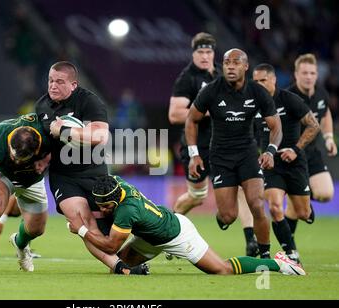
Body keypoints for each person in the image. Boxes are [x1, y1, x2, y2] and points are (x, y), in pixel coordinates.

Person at [35, 61, 148, 275]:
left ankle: (133, 254)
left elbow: (100, 136)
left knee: (109, 233)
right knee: (83, 222)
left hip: (94, 174)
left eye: (60, 81)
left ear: (73, 85)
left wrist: (65, 131)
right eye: (50, 80)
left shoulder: (90, 102)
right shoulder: (42, 106)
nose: (53, 86)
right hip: (63, 177)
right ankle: (119, 267)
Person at [68, 175, 305, 276]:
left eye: (104, 206)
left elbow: (109, 246)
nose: (102, 210)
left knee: (222, 270)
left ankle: (279, 264)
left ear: (114, 200)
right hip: (152, 234)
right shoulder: (116, 183)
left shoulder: (127, 211)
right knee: (117, 269)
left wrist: (81, 229)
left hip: (177, 234)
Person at [185, 48, 283, 259]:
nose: (230, 66)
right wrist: (194, 154)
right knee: (229, 216)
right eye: (227, 62)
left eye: (236, 62)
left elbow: (276, 126)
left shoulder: (257, 92)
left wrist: (270, 151)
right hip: (220, 157)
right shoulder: (211, 90)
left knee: (257, 204)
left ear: (246, 67)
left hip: (247, 154)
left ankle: (265, 255)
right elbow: (191, 120)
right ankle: (222, 217)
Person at [168, 33, 258, 259]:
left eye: (209, 52)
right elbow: (174, 114)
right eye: (201, 52)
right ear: (193, 53)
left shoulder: (221, 72)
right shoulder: (186, 78)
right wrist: (210, 109)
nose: (205, 56)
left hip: (223, 146)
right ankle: (168, 228)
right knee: (196, 196)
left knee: (239, 188)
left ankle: (251, 240)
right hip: (196, 146)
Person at [253, 63, 320, 263]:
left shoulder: (289, 100)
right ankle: (291, 253)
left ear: (273, 80)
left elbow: (313, 125)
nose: (258, 85)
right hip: (271, 164)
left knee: (302, 213)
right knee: (274, 207)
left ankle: (306, 206)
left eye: (262, 80)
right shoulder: (253, 104)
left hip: (294, 162)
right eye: (255, 82)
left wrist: (296, 149)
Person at [0, 113, 51, 273]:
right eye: (13, 156)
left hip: (32, 181)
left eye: (21, 159)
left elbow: (63, 143)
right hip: (3, 174)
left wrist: (46, 159)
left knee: (36, 229)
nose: (16, 161)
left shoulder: (47, 133)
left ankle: (20, 243)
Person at [286, 53, 337, 240]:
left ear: (316, 74)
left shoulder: (321, 93)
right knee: (298, 208)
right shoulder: (288, 97)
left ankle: (300, 200)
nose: (309, 76)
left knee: (326, 194)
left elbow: (325, 114)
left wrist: (329, 138)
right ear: (296, 74)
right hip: (292, 155)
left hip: (312, 152)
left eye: (312, 73)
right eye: (304, 72)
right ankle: (287, 246)